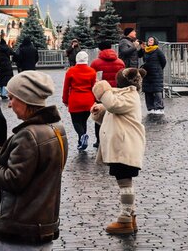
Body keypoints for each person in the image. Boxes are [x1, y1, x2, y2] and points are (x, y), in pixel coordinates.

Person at [0, 70, 68, 250]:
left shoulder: (29, 135)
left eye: (12, 98)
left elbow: (12, 179)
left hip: (20, 228)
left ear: (25, 100)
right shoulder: (56, 128)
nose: (9, 105)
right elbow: (36, 166)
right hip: (40, 224)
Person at [91, 67, 146, 235]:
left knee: (124, 182)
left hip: (126, 146)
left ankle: (125, 219)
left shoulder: (131, 95)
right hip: (122, 146)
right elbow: (112, 113)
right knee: (123, 181)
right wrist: (100, 111)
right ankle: (131, 216)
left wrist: (103, 90)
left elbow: (114, 105)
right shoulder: (123, 94)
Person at [89, 41, 125, 148]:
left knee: (99, 114)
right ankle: (115, 139)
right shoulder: (120, 62)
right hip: (115, 92)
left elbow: (93, 79)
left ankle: (99, 140)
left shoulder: (95, 63)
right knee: (115, 115)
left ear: (100, 50)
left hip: (101, 93)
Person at [62, 50, 97, 151]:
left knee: (76, 122)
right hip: (88, 100)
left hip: (75, 100)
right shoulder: (92, 71)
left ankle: (82, 136)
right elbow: (93, 87)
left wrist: (65, 100)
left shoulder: (71, 71)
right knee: (83, 121)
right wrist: (94, 100)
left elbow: (66, 87)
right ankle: (80, 141)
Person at [139, 37, 167, 115]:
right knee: (147, 91)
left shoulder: (158, 51)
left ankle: (159, 107)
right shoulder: (145, 50)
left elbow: (163, 61)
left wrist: (158, 69)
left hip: (156, 73)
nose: (149, 41)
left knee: (157, 90)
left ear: (155, 42)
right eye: (148, 40)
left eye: (151, 40)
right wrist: (141, 49)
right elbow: (139, 55)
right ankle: (150, 107)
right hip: (147, 73)